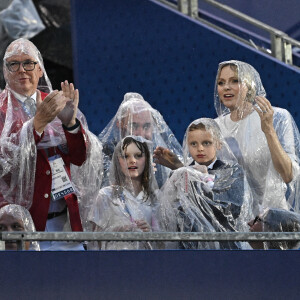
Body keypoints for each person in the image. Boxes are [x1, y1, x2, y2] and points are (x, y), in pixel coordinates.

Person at [0, 38, 102, 250]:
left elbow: (79, 158)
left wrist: (71, 124)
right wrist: (37, 124)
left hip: (65, 222)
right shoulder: (1, 110)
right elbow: (4, 162)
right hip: (21, 228)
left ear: (39, 70)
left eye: (29, 63)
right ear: (5, 71)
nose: (22, 70)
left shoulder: (55, 102)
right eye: (14, 64)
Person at [214, 60, 300, 215]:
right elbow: (206, 176)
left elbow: (288, 175)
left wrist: (269, 130)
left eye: (235, 81)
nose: (226, 87)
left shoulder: (278, 118)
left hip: (273, 218)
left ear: (250, 87)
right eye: (221, 82)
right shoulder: (214, 127)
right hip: (234, 221)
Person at [157, 118, 251, 249]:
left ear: (219, 144)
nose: (200, 149)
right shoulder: (178, 172)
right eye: (193, 144)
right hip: (187, 247)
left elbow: (226, 210)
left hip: (223, 248)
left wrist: (184, 170)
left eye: (207, 143)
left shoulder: (231, 171)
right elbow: (169, 211)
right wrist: (181, 170)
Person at [88, 136, 160, 250]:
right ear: (118, 161)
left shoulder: (155, 197)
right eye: (126, 156)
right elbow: (94, 243)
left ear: (147, 159)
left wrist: (150, 233)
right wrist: (118, 231)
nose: (132, 161)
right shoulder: (105, 196)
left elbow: (164, 245)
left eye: (138, 155)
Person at [99, 92, 182, 187]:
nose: (141, 135)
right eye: (133, 126)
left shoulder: (160, 159)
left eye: (146, 126)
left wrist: (178, 167)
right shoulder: (105, 154)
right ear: (120, 125)